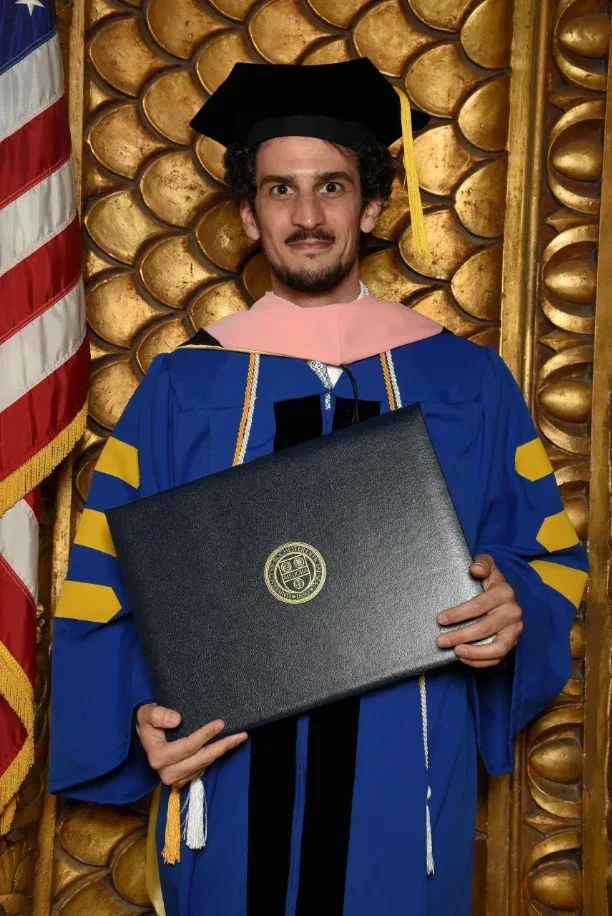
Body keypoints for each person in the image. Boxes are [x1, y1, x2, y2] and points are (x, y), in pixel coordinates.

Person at [49, 59, 588, 915]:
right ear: (248, 213)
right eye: (279, 190)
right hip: (226, 783)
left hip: (404, 783)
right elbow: (106, 583)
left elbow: (548, 559)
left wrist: (513, 601)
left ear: (372, 205)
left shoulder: (468, 382)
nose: (306, 216)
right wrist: (137, 714)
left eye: (332, 186)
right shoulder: (185, 387)